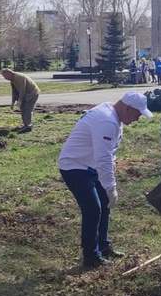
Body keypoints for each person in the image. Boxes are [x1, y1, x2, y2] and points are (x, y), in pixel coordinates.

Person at [59, 91, 153, 267]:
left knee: (105, 206)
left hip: (91, 165)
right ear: (127, 108)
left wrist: (108, 186)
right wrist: (111, 187)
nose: (137, 119)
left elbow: (110, 154)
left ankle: (104, 246)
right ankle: (91, 257)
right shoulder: (106, 121)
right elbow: (103, 158)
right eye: (136, 114)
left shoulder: (115, 116)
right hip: (75, 167)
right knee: (93, 210)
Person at [1, 68, 41, 133]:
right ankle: (26, 125)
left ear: (9, 73)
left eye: (5, 76)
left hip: (32, 94)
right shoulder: (12, 80)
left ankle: (28, 127)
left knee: (27, 109)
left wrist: (20, 100)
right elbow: (14, 91)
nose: (5, 78)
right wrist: (13, 102)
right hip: (25, 96)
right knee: (22, 109)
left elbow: (23, 90)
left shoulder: (19, 77)